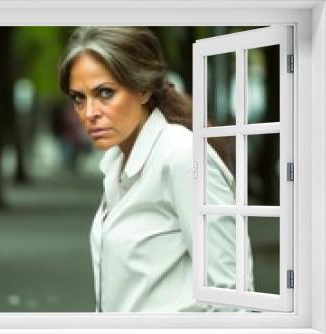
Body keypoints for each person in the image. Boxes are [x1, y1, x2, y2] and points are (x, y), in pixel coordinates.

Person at [58, 27, 253, 312]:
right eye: (79, 98)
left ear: (143, 90)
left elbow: (232, 294)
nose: (89, 113)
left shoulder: (181, 155)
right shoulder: (116, 163)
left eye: (105, 93)